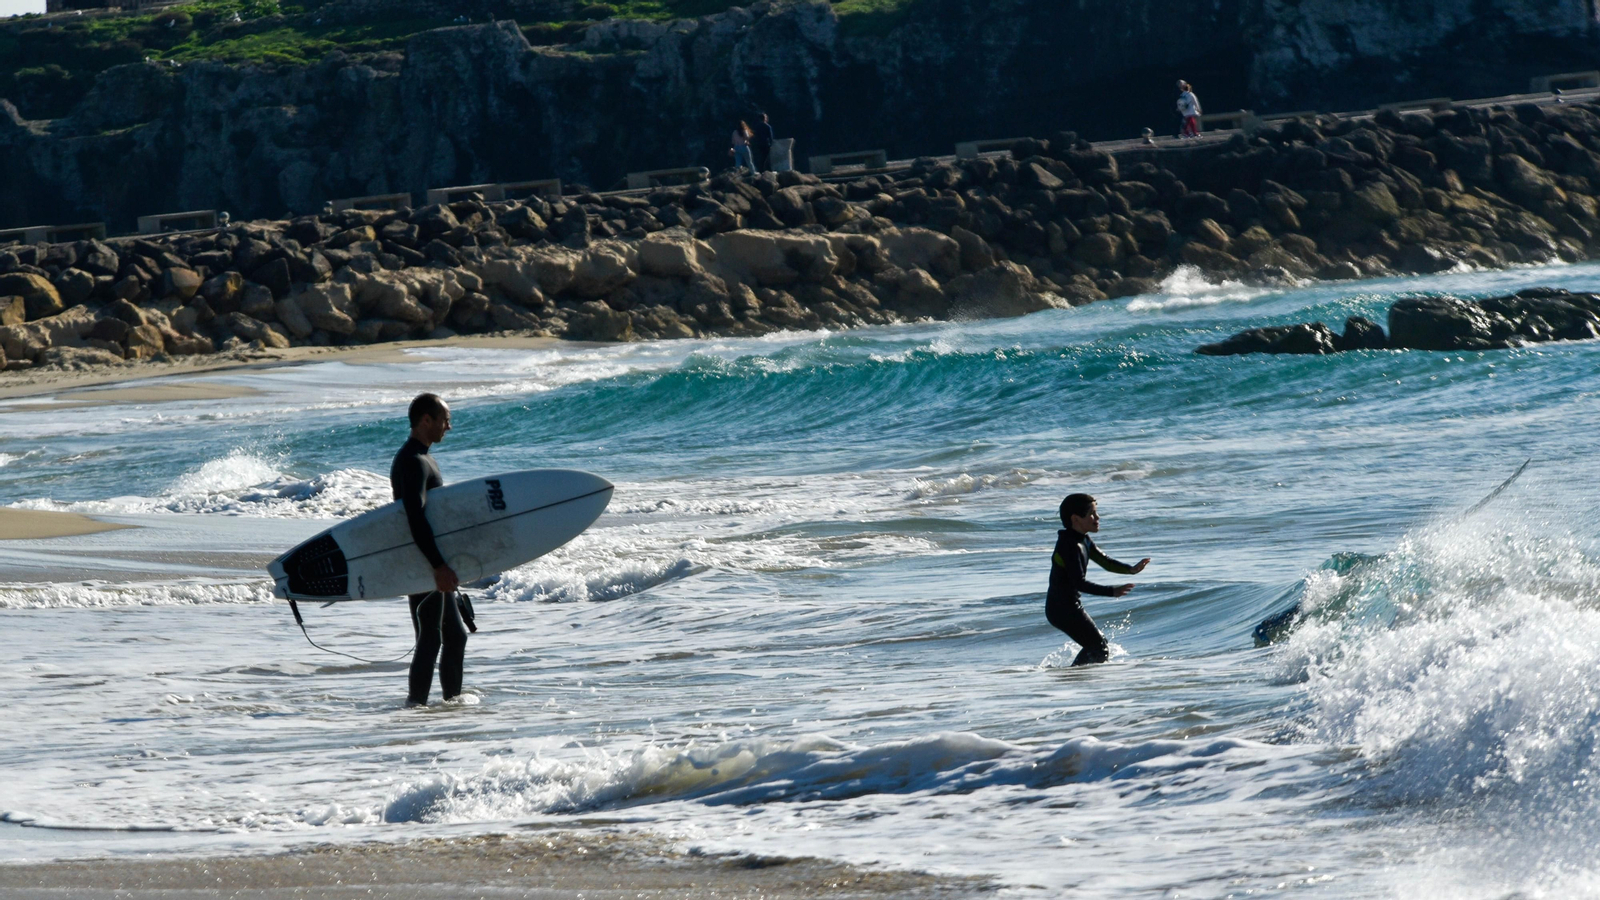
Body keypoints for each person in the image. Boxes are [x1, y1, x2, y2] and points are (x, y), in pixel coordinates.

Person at [390, 393, 476, 706]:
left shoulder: (424, 457)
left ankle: (447, 709)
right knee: (430, 638)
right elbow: (414, 516)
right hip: (424, 562)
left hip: (430, 561)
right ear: (426, 420)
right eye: (445, 420)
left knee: (453, 636)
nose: (448, 427)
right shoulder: (413, 461)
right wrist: (437, 566)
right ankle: (415, 711)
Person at [1045, 494, 1149, 666]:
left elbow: (1105, 562)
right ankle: (1074, 678)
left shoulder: (1082, 540)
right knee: (1099, 647)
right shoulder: (1070, 545)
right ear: (1076, 519)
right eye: (1092, 514)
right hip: (1061, 608)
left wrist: (1131, 569)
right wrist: (1111, 591)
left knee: (1097, 646)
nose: (1097, 517)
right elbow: (1079, 583)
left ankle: (1074, 676)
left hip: (1065, 606)